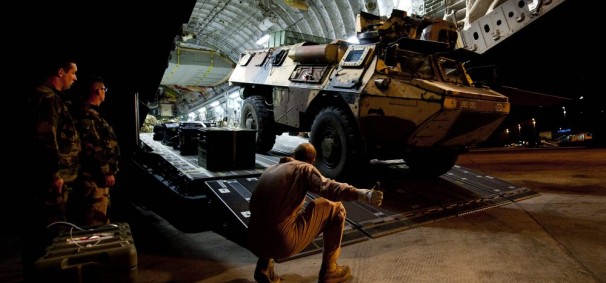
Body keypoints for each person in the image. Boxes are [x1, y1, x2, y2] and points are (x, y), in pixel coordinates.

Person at [247, 143, 383, 283]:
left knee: (275, 211)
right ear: (312, 161)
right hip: (281, 242)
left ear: (293, 155)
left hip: (253, 241)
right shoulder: (304, 168)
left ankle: (263, 267)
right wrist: (363, 194)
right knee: (335, 208)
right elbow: (329, 187)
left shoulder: (270, 169)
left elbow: (255, 206)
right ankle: (330, 271)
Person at [23, 57, 80, 272]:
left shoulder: (45, 96)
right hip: (49, 182)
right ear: (60, 72)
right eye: (72, 73)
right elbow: (45, 139)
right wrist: (54, 175)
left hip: (48, 178)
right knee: (50, 235)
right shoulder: (46, 98)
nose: (75, 78)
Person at [73, 76, 121, 227]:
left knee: (99, 215)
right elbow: (93, 147)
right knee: (95, 219)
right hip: (94, 177)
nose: (105, 93)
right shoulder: (89, 115)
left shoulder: (92, 114)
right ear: (97, 91)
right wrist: (106, 171)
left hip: (96, 176)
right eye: (104, 90)